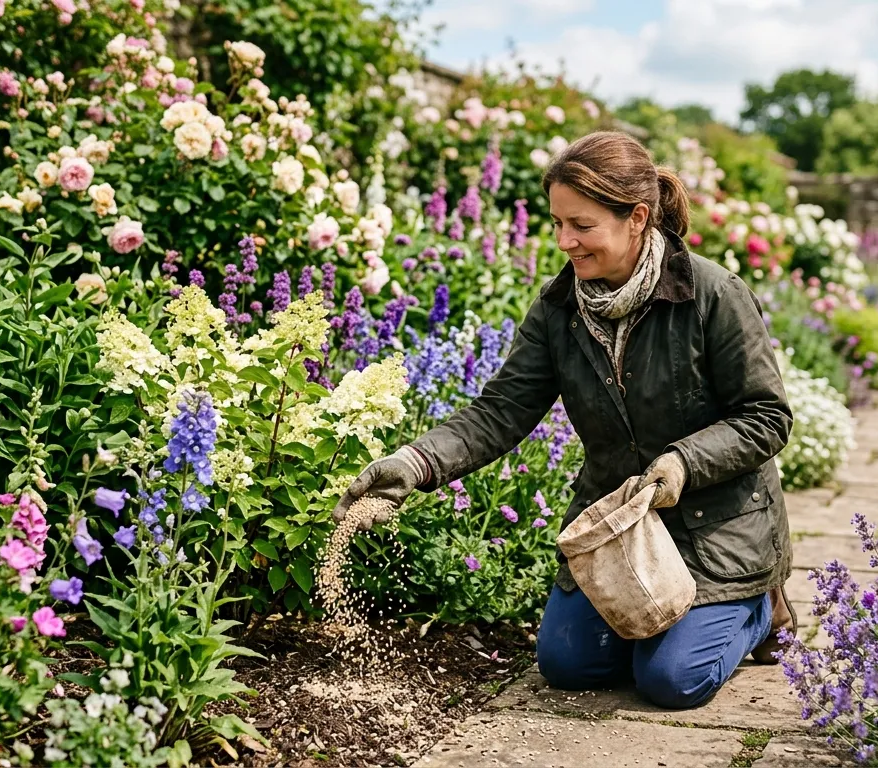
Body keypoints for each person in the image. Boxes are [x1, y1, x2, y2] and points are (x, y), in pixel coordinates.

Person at [333, 131, 796, 710]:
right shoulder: (559, 309)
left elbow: (766, 417)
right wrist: (415, 463)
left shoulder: (712, 294)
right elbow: (501, 411)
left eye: (581, 225)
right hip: (616, 527)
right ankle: (670, 626)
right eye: (556, 224)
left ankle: (758, 607)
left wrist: (684, 461)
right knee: (568, 665)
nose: (564, 241)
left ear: (637, 218)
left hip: (715, 527)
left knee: (671, 681)